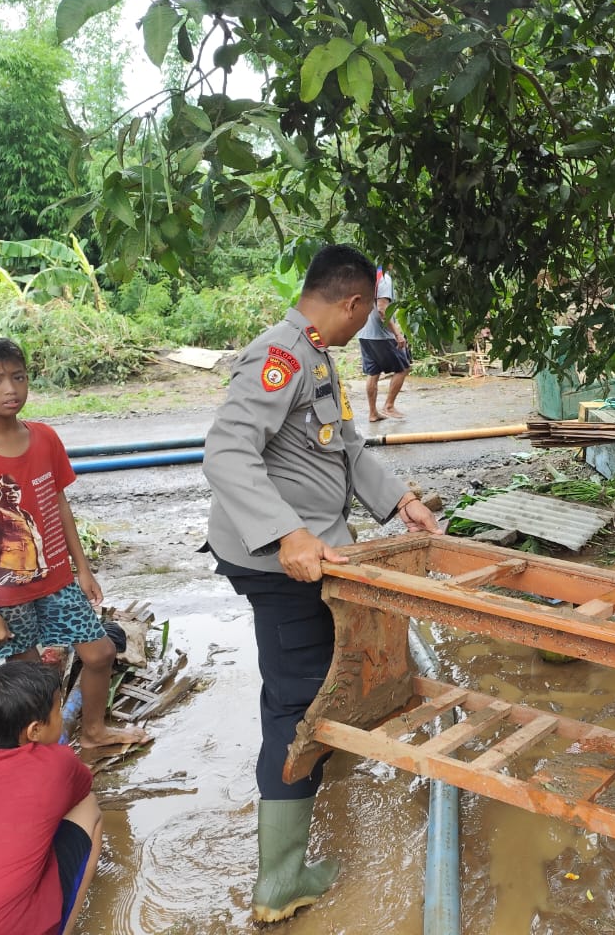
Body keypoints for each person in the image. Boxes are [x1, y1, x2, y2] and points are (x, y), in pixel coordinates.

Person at [202, 243, 442, 923]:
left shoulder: (314, 355)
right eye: (367, 311)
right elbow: (225, 453)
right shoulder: (278, 357)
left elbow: (344, 447)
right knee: (295, 704)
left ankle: (311, 779)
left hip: (314, 552)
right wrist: (287, 533)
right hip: (280, 562)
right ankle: (279, 881)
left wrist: (401, 502)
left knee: (317, 678)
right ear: (354, 303)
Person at [0, 336, 147, 749]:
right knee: (31, 678)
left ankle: (93, 732)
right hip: (4, 595)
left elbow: (59, 505)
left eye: (18, 377)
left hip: (56, 581)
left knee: (100, 653)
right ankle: (40, 753)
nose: (10, 389)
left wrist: (82, 568)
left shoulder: (45, 438)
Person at [0, 660, 103, 935]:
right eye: (58, 711)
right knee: (88, 806)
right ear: (34, 730)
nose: (60, 716)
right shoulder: (57, 763)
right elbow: (77, 792)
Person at [357, 263, 412, 422]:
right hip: (382, 335)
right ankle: (389, 406)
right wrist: (397, 334)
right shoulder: (384, 279)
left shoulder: (366, 277)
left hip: (364, 333)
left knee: (373, 373)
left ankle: (373, 413)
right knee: (403, 368)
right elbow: (382, 309)